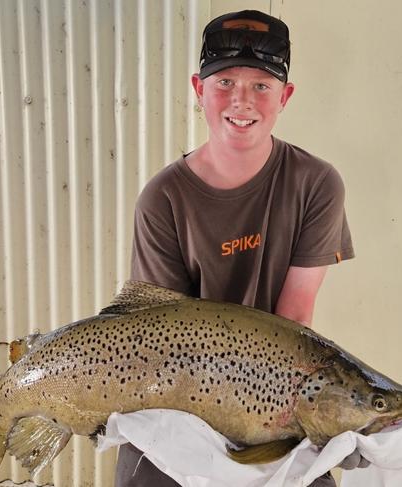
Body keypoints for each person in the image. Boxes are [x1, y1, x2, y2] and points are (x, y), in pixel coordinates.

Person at [115, 9, 362, 487]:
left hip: (273, 390)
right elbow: (160, 330)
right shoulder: (162, 198)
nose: (241, 100)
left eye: (262, 86)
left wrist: (324, 420)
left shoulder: (317, 184)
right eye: (224, 82)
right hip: (172, 396)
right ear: (198, 89)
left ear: (285, 96)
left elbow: (294, 318)